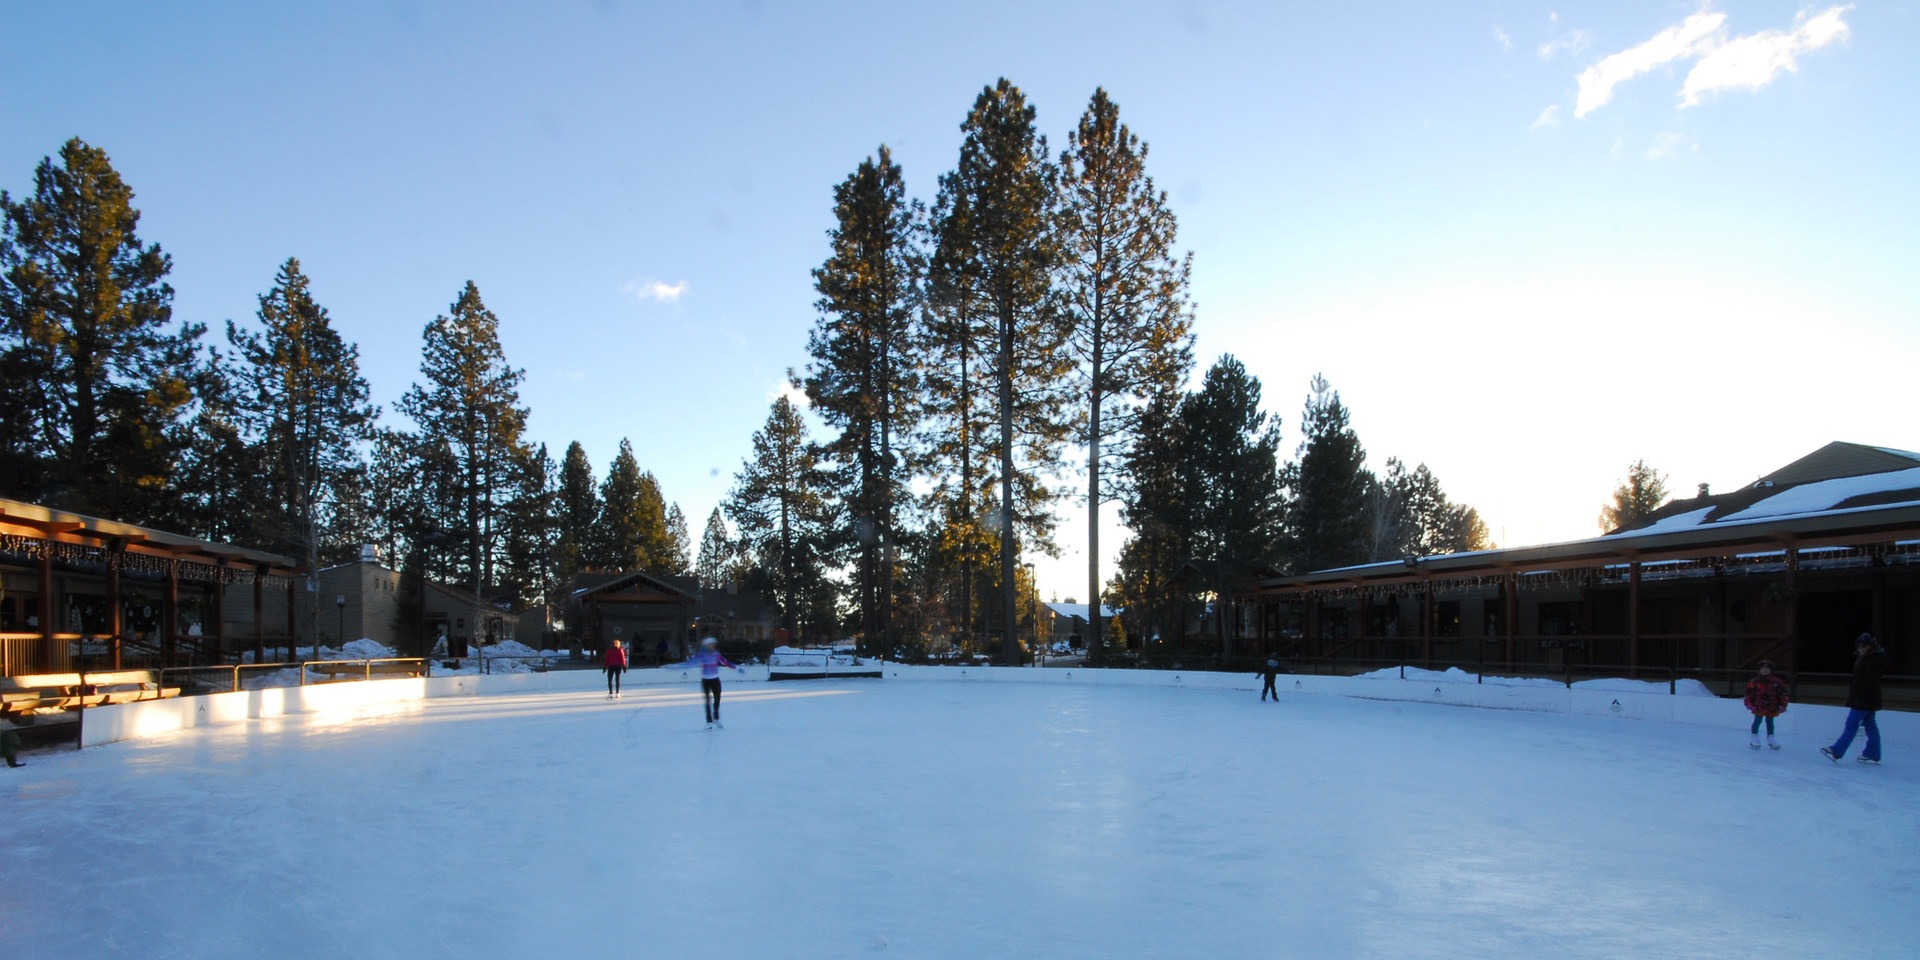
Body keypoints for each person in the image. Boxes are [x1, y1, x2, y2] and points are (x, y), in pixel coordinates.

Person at [1821, 633, 1886, 765]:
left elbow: (1868, 682)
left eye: (1864, 646)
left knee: (1852, 724)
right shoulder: (1868, 658)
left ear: (1870, 646)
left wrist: (1859, 698)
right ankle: (1873, 752)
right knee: (1870, 725)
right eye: (1859, 646)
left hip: (1864, 699)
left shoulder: (1873, 660)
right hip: (1867, 699)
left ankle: (1837, 750)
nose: (1861, 649)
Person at [674, 636, 742, 728]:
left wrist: (736, 668)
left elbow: (725, 662)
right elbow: (692, 663)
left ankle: (716, 717)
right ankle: (709, 721)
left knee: (717, 699)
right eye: (710, 644)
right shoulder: (702, 655)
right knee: (707, 701)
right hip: (706, 680)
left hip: (715, 679)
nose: (712, 646)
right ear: (706, 645)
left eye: (713, 644)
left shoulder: (716, 654)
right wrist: (677, 666)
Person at [1743, 659, 1788, 749]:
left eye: (1767, 668)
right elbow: (1748, 694)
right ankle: (1754, 737)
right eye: (1763, 668)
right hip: (1758, 705)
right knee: (1757, 720)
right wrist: (1749, 704)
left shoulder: (1776, 682)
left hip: (1772, 705)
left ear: (1771, 670)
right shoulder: (1755, 682)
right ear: (1759, 670)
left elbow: (1783, 694)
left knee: (1770, 721)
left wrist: (1783, 705)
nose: (1765, 670)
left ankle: (1771, 738)